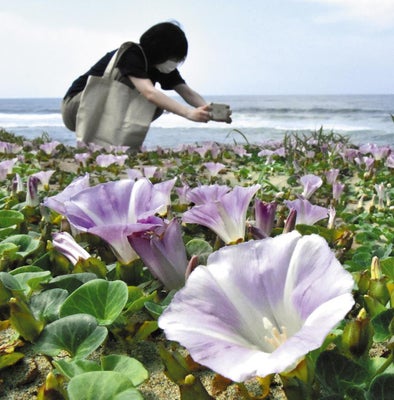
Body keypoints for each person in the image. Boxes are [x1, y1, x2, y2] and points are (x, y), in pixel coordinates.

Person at [61, 21, 230, 148]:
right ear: (162, 51)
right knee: (150, 97)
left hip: (102, 114)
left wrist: (209, 111)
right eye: (175, 58)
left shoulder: (161, 67)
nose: (175, 63)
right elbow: (149, 92)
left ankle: (115, 144)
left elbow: (187, 92)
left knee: (157, 106)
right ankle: (104, 142)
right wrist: (188, 114)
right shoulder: (131, 53)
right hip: (76, 108)